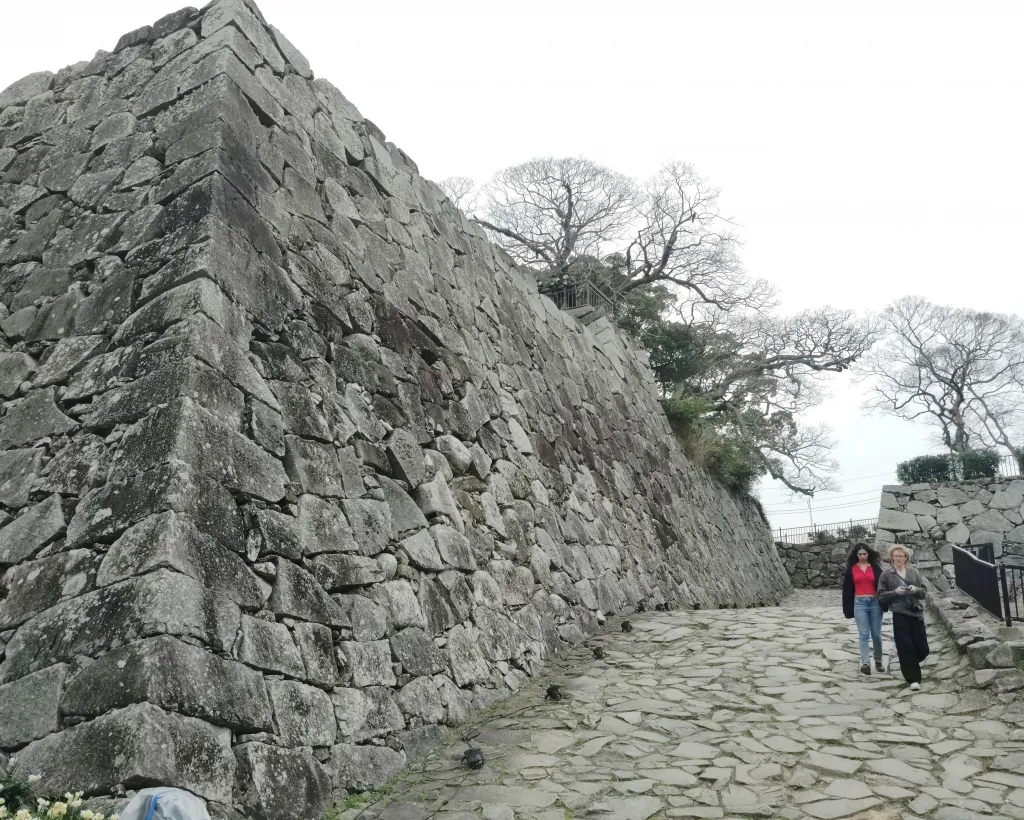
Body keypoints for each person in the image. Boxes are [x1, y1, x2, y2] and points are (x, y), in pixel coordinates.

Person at [877, 544, 929, 690]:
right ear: (891, 558)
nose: (898, 558)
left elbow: (924, 592)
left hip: (916, 613)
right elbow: (880, 596)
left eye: (901, 556)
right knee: (905, 646)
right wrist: (895, 593)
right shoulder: (886, 575)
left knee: (922, 647)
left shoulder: (913, 573)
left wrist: (915, 589)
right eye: (895, 556)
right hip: (899, 614)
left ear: (906, 558)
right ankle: (913, 679)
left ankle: (910, 662)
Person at [842, 542, 885, 674]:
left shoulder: (876, 569)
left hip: (875, 603)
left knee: (876, 635)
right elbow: (847, 590)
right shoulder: (852, 570)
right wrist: (848, 608)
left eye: (864, 553)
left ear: (868, 554)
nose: (862, 556)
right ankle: (865, 662)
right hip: (859, 603)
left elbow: (883, 585)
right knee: (864, 634)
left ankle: (878, 661)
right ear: (856, 555)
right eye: (859, 554)